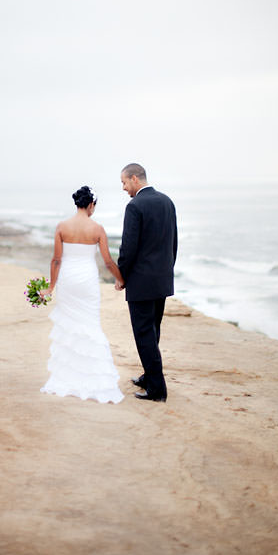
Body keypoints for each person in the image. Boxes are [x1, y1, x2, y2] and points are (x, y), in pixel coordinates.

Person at [40, 186, 125, 404]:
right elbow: (107, 261)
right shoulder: (97, 228)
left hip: (67, 281)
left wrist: (50, 287)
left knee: (68, 325)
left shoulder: (62, 226)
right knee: (91, 324)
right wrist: (120, 278)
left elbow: (56, 260)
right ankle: (94, 378)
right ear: (90, 205)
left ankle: (67, 377)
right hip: (87, 281)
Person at [116, 163, 178, 403]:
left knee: (144, 334)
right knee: (153, 331)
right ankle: (148, 375)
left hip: (141, 282)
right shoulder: (167, 201)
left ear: (134, 178)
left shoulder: (135, 206)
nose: (123, 188)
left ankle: (157, 390)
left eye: (124, 182)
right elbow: (173, 242)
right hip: (161, 279)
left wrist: (122, 275)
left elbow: (128, 247)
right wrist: (166, 270)